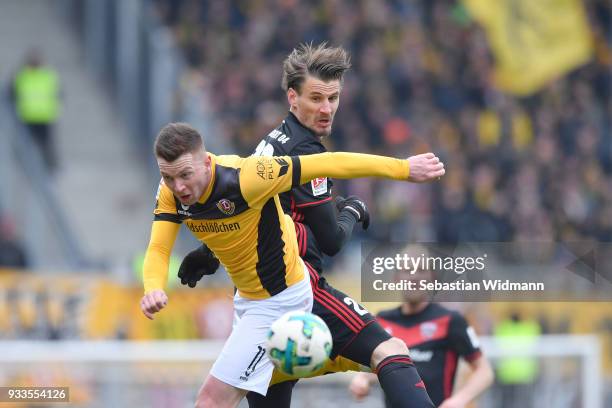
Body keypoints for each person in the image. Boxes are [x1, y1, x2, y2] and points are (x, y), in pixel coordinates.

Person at [176, 43, 433, 407]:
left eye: (333, 98)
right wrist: (353, 210)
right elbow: (331, 240)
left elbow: (245, 206)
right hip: (300, 292)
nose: (326, 109)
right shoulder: (307, 152)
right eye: (316, 98)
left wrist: (208, 253)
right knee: (390, 350)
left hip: (256, 306)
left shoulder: (269, 143)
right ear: (292, 97)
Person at [141, 122, 444, 407]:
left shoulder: (247, 177)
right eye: (168, 177)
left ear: (206, 162)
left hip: (282, 300)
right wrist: (153, 287)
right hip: (249, 304)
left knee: (210, 401)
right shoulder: (169, 193)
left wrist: (404, 168)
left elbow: (330, 163)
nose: (177, 186)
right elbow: (158, 247)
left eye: (184, 175)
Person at [349, 246, 494, 407]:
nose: (414, 277)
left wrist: (458, 400)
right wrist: (362, 378)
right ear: (396, 278)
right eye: (407, 270)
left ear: (432, 277)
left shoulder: (451, 320)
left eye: (421, 270)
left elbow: (484, 371)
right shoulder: (382, 321)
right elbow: (382, 366)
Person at [11, 49, 61, 172]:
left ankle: (49, 166)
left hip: (42, 115)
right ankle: (32, 166)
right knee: (32, 144)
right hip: (30, 116)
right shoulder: (24, 76)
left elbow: (58, 94)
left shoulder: (27, 76)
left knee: (45, 144)